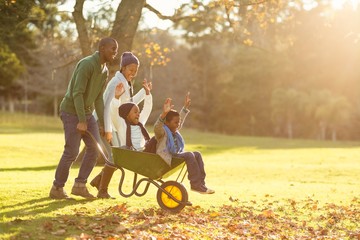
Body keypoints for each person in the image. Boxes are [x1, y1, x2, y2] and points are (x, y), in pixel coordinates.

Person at [49, 37, 118, 200]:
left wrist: (102, 123)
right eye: (112, 48)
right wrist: (81, 120)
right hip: (71, 111)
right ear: (101, 48)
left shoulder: (104, 70)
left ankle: (80, 185)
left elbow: (99, 98)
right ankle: (57, 188)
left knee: (94, 149)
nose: (115, 52)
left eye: (116, 49)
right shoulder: (87, 64)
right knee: (71, 152)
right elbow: (77, 93)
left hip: (86, 112)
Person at [90, 52, 151, 198]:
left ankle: (98, 181)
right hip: (103, 123)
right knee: (116, 156)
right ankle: (102, 190)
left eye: (135, 71)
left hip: (113, 124)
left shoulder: (126, 83)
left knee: (120, 156)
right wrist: (107, 129)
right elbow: (107, 107)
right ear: (123, 68)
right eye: (131, 70)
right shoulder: (116, 82)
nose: (133, 73)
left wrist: (144, 92)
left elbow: (128, 106)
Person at [154, 93, 215, 194]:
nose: (178, 125)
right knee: (189, 155)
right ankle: (195, 185)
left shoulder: (174, 130)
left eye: (179, 122)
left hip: (175, 154)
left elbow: (179, 119)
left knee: (197, 154)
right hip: (167, 156)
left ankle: (201, 184)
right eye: (175, 123)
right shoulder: (162, 132)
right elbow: (157, 127)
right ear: (167, 123)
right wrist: (164, 114)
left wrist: (185, 108)